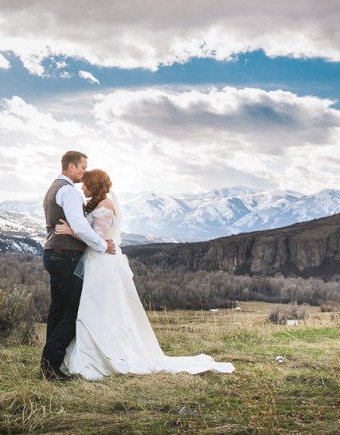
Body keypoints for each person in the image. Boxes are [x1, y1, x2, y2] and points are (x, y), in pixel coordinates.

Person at [54, 168, 235, 378]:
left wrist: (70, 231)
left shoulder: (105, 206)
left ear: (93, 186)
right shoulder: (98, 204)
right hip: (96, 261)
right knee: (93, 306)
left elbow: (96, 238)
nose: (82, 188)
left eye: (85, 185)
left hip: (103, 263)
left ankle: (107, 353)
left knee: (102, 307)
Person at [40, 151, 117, 381]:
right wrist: (102, 246)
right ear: (71, 167)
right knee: (74, 310)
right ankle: (50, 364)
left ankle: (49, 364)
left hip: (54, 253)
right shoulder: (69, 192)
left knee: (59, 309)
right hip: (65, 256)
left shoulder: (53, 189)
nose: (85, 172)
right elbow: (81, 227)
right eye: (83, 167)